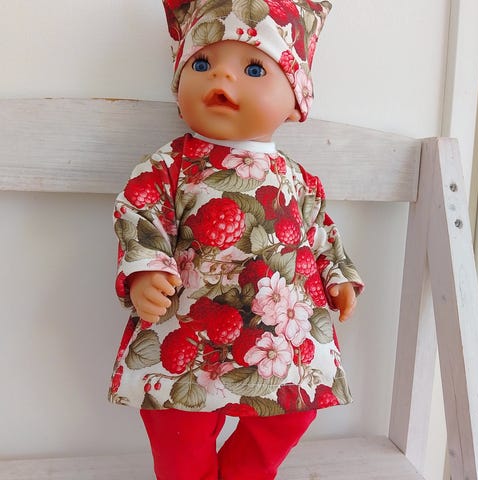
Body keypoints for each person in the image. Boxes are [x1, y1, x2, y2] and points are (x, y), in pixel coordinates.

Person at [108, 1, 363, 479]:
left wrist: (338, 277)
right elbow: (140, 211)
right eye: (202, 63)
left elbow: (320, 233)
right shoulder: (171, 165)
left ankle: (246, 472)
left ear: (296, 102)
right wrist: (145, 270)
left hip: (277, 338)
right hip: (187, 326)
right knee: (177, 423)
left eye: (254, 68)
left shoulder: (300, 181)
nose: (221, 78)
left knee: (292, 412)